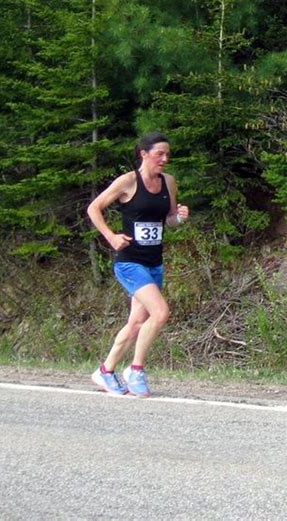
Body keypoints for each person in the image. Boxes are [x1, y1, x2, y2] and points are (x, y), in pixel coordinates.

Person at [87, 132, 189, 398]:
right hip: (130, 262)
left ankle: (106, 371)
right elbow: (94, 208)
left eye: (167, 154)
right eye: (159, 154)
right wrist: (110, 236)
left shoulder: (169, 182)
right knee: (161, 312)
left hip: (154, 263)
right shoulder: (128, 181)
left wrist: (179, 217)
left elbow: (169, 220)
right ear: (144, 154)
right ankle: (136, 369)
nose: (165, 159)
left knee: (136, 323)